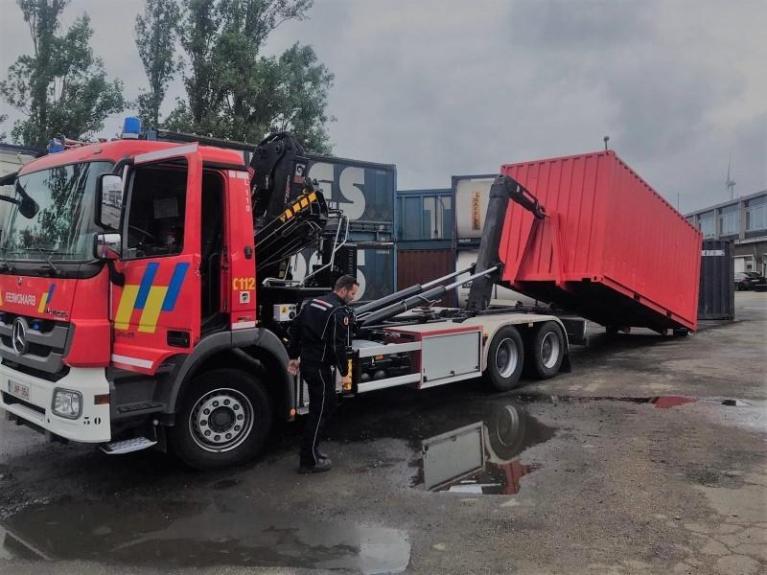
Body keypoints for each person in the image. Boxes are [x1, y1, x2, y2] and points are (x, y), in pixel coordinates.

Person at [288, 275, 358, 474]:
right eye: (352, 294)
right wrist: (345, 371)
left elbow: (295, 327)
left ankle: (313, 452)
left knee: (326, 405)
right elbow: (338, 346)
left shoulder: (313, 302)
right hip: (319, 367)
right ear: (343, 290)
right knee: (319, 412)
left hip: (310, 363)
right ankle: (308, 460)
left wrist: (293, 355)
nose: (353, 298)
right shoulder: (338, 311)